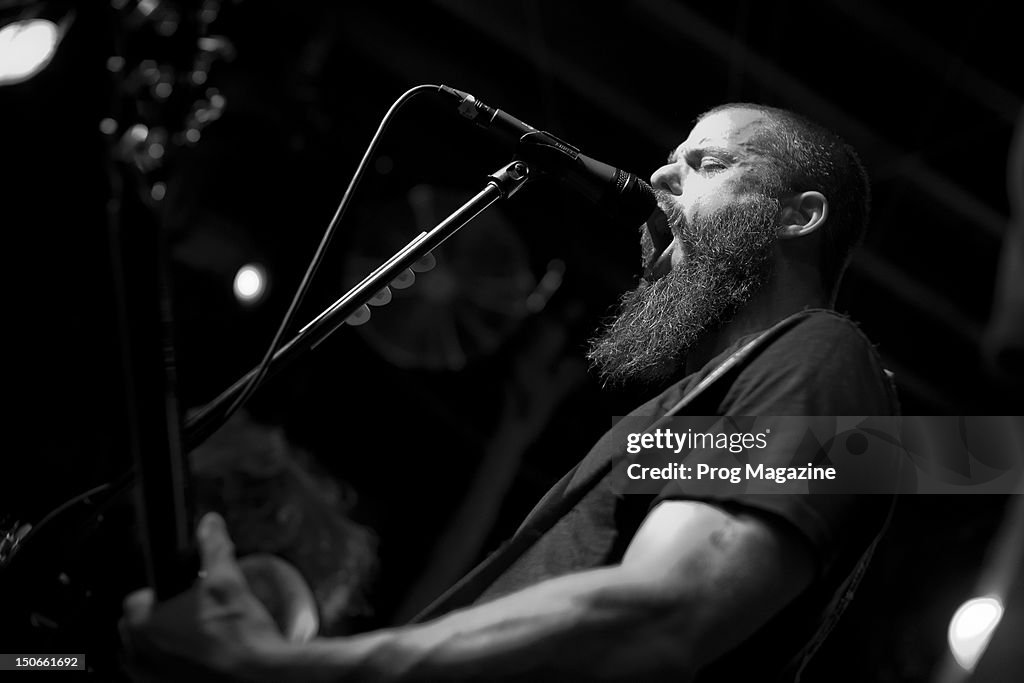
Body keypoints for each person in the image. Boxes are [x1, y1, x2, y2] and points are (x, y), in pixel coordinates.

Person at [120, 103, 899, 681]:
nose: (661, 175)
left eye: (706, 164)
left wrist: (274, 668)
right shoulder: (675, 419)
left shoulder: (823, 353)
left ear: (800, 216)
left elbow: (671, 611)